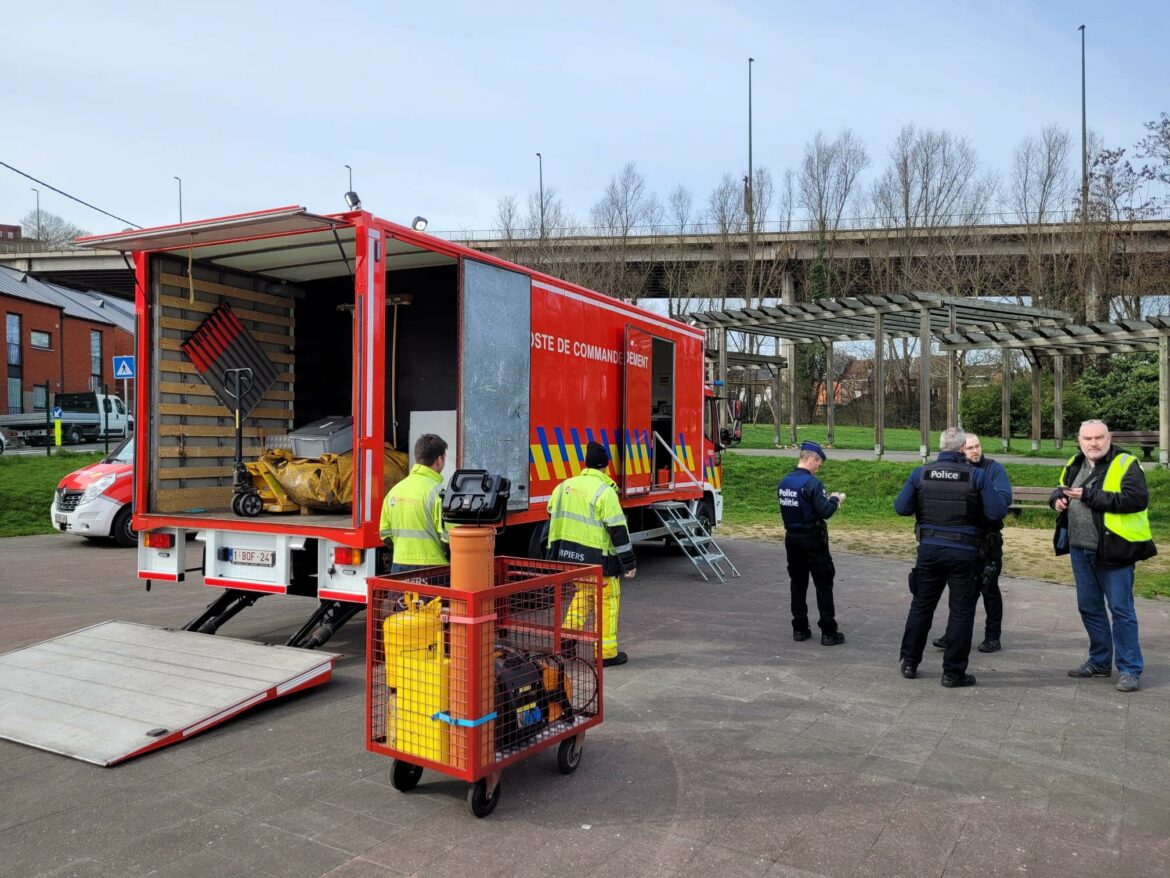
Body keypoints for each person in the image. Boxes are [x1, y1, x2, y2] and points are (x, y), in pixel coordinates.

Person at [895, 427, 1011, 687]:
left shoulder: (921, 473)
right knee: (961, 612)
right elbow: (996, 512)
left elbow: (901, 508)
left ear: (941, 447)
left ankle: (910, 662)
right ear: (961, 449)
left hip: (929, 549)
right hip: (965, 552)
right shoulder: (976, 476)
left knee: (921, 606)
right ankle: (953, 673)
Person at [1051, 419, 1156, 693]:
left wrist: (1089, 496)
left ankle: (1130, 669)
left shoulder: (1126, 463)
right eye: (1088, 439)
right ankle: (1099, 662)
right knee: (1089, 607)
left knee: (1122, 611)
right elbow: (1062, 487)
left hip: (1115, 550)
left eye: (1099, 438)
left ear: (1108, 438)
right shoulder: (1074, 462)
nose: (1093, 443)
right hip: (1079, 548)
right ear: (1080, 440)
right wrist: (1057, 499)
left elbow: (1136, 500)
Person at [548, 441, 637, 667]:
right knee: (608, 602)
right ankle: (606, 653)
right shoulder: (604, 492)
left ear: (585, 465)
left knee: (583, 597)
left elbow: (551, 512)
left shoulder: (563, 487)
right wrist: (628, 563)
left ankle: (567, 639)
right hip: (600, 561)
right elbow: (618, 530)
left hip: (571, 559)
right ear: (605, 467)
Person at [932, 433, 1011, 653]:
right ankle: (952, 634)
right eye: (970, 448)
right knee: (960, 591)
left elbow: (1004, 499)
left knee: (989, 589)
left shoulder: (994, 469)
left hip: (988, 540)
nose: (975, 451)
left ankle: (992, 636)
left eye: (977, 446)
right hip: (963, 541)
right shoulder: (956, 471)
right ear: (960, 450)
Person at [778, 440, 846, 645]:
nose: (819, 468)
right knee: (823, 583)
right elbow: (825, 511)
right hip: (813, 540)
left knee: (798, 584)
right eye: (818, 463)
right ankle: (828, 631)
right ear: (811, 459)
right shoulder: (812, 484)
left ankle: (799, 628)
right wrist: (835, 499)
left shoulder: (784, 482)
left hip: (792, 539)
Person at [379, 433, 449, 574]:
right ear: (439, 460)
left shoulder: (394, 491)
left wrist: (400, 552)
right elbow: (448, 537)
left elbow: (384, 533)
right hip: (433, 568)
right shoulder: (439, 492)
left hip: (399, 566)